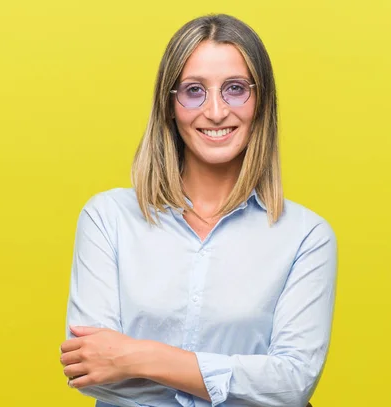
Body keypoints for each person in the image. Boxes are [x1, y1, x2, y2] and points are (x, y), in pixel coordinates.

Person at [60, 13, 337, 407]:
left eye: (235, 89)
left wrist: (140, 357)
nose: (216, 111)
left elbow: (292, 384)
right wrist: (240, 383)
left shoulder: (306, 237)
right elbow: (90, 371)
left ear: (261, 102)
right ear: (169, 104)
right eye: (194, 91)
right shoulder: (108, 219)